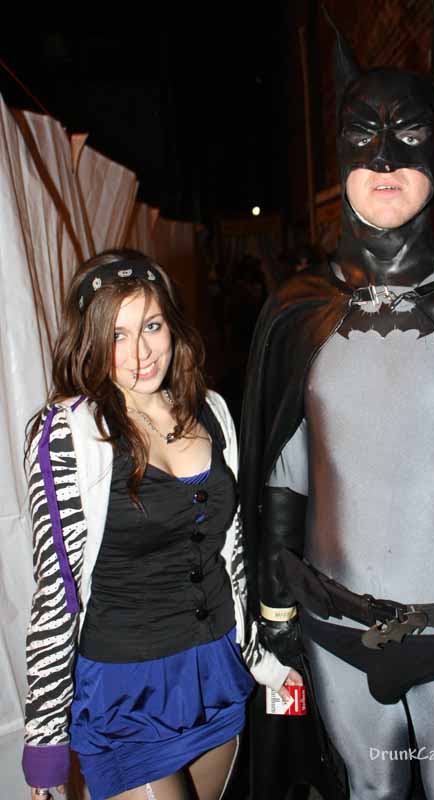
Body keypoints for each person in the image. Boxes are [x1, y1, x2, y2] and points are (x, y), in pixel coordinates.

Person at [240, 3, 434, 799]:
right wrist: (273, 613)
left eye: (407, 132)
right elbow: (282, 471)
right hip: (333, 633)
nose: (382, 157)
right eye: (362, 134)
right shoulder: (299, 308)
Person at [21, 250, 293, 800]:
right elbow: (57, 590)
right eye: (116, 336)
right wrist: (45, 738)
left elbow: (232, 554)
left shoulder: (212, 411)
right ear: (89, 343)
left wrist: (261, 660)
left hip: (215, 672)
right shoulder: (68, 434)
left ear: (173, 324)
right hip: (126, 693)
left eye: (151, 326)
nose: (140, 353)